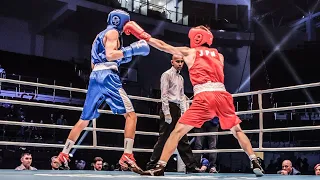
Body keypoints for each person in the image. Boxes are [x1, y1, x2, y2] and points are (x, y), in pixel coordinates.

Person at [123, 22, 264, 176]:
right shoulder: (219, 55)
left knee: (176, 132)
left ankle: (160, 167)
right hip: (223, 95)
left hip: (204, 96)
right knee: (237, 130)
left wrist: (143, 35)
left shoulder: (189, 52)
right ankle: (254, 159)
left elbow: (163, 46)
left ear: (195, 37)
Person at [56, 9, 150, 173]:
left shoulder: (99, 36)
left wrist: (123, 56)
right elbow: (110, 54)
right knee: (131, 115)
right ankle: (127, 154)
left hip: (95, 77)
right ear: (120, 22)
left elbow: (96, 63)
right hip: (108, 76)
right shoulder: (113, 33)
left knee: (84, 119)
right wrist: (131, 51)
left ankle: (63, 155)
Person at [146, 55, 201, 173]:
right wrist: (166, 113)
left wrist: (184, 112)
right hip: (169, 107)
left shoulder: (181, 78)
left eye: (182, 61)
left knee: (182, 138)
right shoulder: (166, 75)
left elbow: (181, 96)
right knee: (164, 138)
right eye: (178, 61)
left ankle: (191, 166)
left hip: (177, 109)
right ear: (172, 62)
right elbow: (164, 95)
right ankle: (152, 165)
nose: (180, 63)